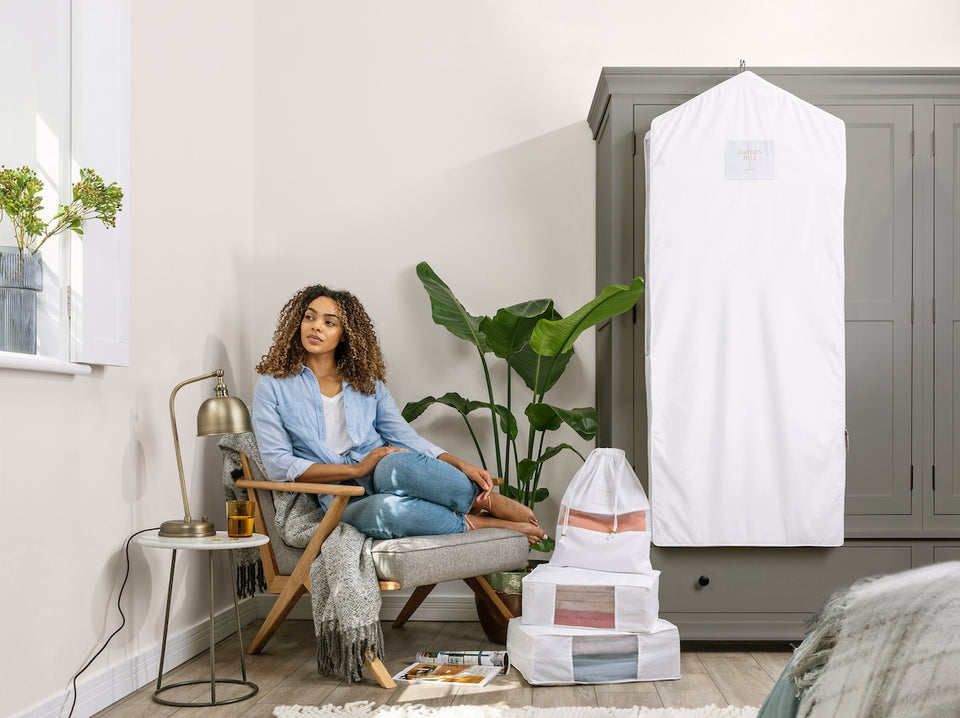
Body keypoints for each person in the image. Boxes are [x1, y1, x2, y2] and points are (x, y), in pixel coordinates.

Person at [252, 283, 546, 545]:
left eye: (329, 322)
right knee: (386, 513)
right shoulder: (272, 386)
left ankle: (489, 501)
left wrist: (460, 464)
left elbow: (403, 435)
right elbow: (279, 465)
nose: (315, 327)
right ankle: (483, 523)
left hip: (382, 470)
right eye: (310, 317)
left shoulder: (366, 382)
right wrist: (356, 470)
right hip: (336, 494)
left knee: (404, 464)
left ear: (344, 335)